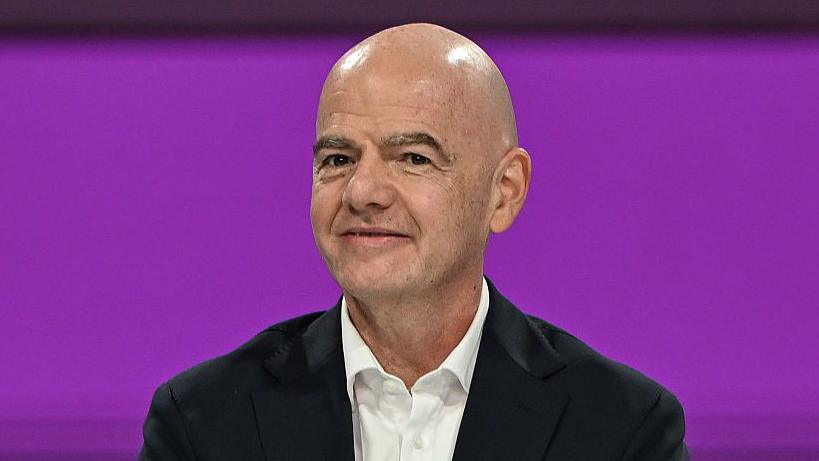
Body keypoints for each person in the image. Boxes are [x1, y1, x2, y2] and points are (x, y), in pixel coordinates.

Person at [140, 23, 687, 461]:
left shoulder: (620, 429)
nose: (362, 192)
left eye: (414, 158)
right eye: (338, 159)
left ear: (504, 192)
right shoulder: (203, 423)